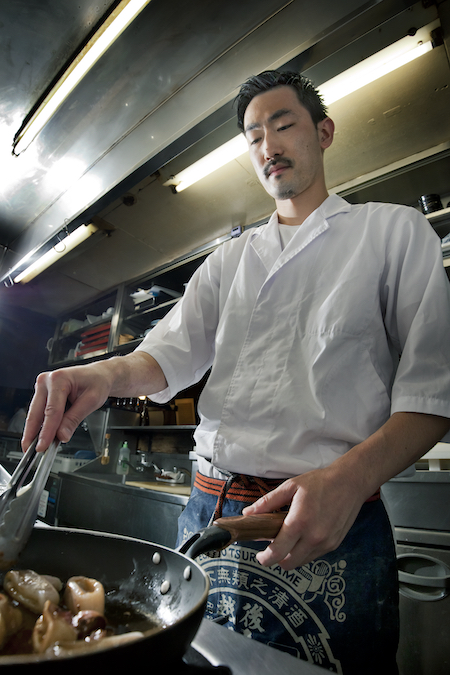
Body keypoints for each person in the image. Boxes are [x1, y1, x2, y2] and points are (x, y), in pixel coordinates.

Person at [23, 71, 450, 674]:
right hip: (209, 511)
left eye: (283, 124)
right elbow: (164, 357)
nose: (268, 146)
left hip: (323, 520)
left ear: (323, 132)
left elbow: (432, 394)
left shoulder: (391, 233)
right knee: (194, 665)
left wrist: (350, 480)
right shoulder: (231, 259)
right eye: (253, 136)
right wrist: (101, 375)